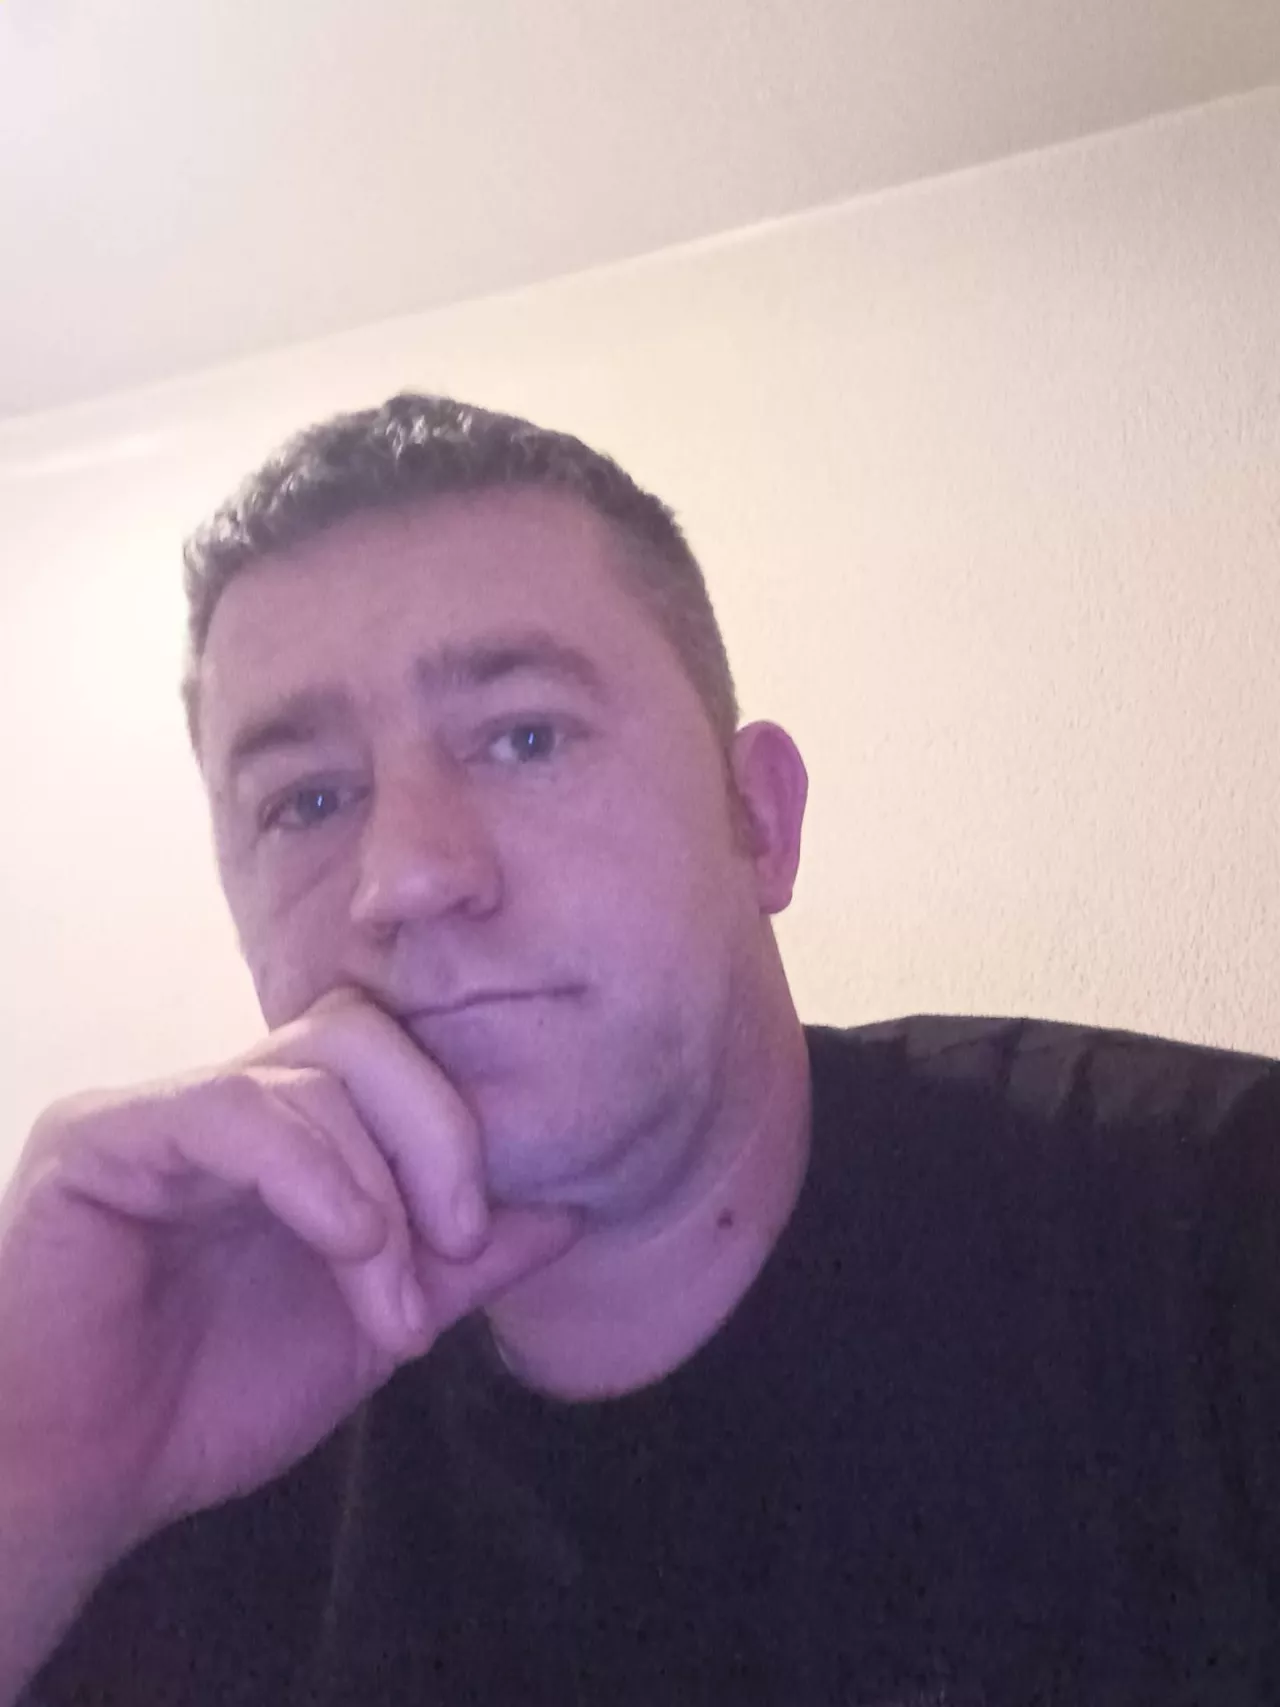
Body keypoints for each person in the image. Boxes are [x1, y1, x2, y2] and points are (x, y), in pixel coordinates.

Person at [3, 394, 1279, 1707]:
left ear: (760, 820)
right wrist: (35, 1474)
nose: (408, 876)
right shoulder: (157, 1429)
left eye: (525, 737)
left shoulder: (1220, 1229)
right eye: (308, 799)